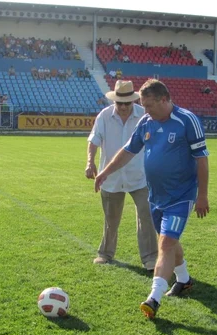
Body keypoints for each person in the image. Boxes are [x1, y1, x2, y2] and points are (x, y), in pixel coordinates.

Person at [94, 79, 209, 319]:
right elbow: (128, 151)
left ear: (164, 100)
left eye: (148, 106)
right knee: (170, 241)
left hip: (181, 195)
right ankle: (184, 280)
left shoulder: (187, 121)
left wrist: (202, 195)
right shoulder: (147, 122)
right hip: (155, 196)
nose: (144, 111)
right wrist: (105, 172)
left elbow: (202, 159)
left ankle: (153, 298)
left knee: (165, 244)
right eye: (143, 106)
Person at [86, 80, 158, 272]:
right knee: (111, 218)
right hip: (111, 177)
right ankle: (105, 253)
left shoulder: (145, 116)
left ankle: (150, 258)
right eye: (120, 103)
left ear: (134, 101)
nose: (124, 107)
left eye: (128, 103)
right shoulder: (104, 116)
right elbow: (94, 140)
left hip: (140, 175)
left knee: (146, 216)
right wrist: (90, 162)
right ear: (115, 101)